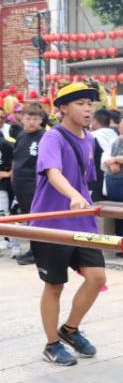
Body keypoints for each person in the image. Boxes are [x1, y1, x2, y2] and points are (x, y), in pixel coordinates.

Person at [29, 82, 107, 366]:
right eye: (81, 104)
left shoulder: (90, 139)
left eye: (90, 103)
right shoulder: (53, 137)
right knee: (54, 285)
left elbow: (85, 180)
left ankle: (70, 329)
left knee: (97, 277)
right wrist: (73, 195)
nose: (88, 109)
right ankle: (52, 344)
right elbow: (53, 173)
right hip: (51, 222)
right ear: (63, 108)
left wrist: (86, 200)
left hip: (81, 221)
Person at [10, 104, 45, 265]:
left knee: (36, 219)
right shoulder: (21, 135)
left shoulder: (44, 136)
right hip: (20, 182)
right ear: (22, 118)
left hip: (35, 183)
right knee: (27, 218)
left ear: (41, 120)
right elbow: (16, 159)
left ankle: (38, 252)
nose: (31, 122)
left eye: (35, 119)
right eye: (28, 118)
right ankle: (33, 249)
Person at [90, 108, 118, 203]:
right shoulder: (117, 136)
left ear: (95, 121)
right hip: (114, 179)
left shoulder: (91, 138)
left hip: (95, 180)